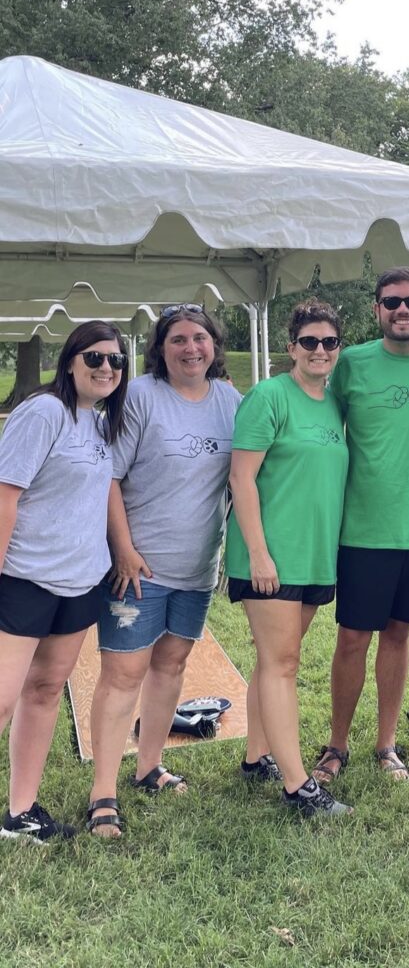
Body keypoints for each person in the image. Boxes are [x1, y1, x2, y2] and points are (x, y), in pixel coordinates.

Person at [87, 305, 248, 837]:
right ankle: (102, 794)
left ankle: (148, 765)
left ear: (213, 345)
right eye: (177, 339)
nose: (190, 348)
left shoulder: (229, 400)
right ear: (162, 348)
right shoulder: (141, 397)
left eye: (199, 338)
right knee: (123, 675)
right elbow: (109, 476)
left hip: (198, 568)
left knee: (172, 666)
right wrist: (124, 549)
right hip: (139, 569)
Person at [312, 267, 409, 785]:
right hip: (362, 532)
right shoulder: (350, 364)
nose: (403, 310)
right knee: (353, 638)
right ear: (376, 309)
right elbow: (320, 428)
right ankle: (336, 745)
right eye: (392, 302)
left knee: (399, 636)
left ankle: (386, 744)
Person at [0, 321, 128, 842]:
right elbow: (6, 496)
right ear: (71, 360)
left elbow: (104, 494)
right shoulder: (43, 411)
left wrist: (124, 552)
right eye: (94, 357)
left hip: (81, 582)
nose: (105, 368)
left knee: (46, 689)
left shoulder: (97, 424)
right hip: (27, 577)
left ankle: (21, 812)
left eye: (116, 361)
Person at [225, 301, 352, 818]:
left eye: (328, 342)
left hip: (314, 556)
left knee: (273, 660)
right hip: (270, 557)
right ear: (291, 347)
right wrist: (259, 553)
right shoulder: (268, 397)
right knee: (283, 665)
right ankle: (299, 787)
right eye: (309, 342)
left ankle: (258, 757)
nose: (319, 351)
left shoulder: (332, 404)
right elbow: (241, 478)